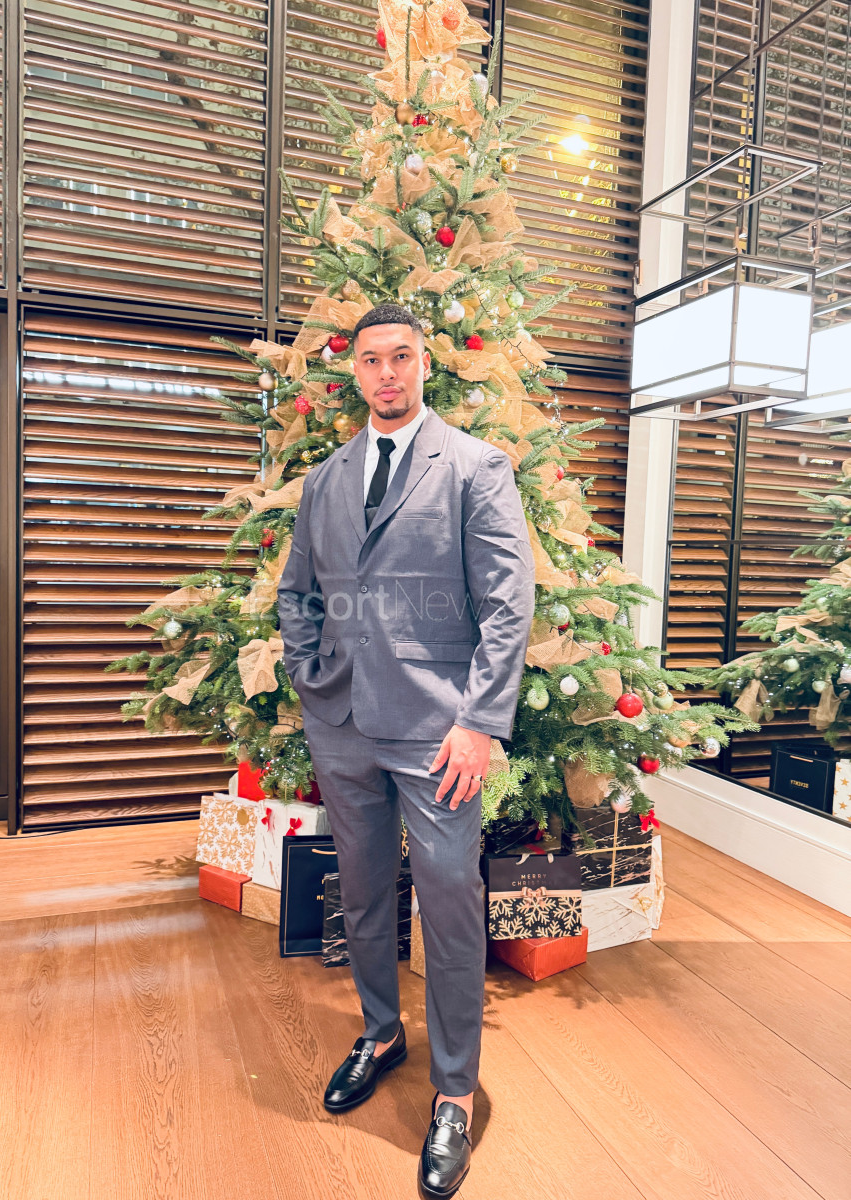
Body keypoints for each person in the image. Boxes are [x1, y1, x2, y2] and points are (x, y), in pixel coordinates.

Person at [277, 303, 534, 1199]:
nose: (387, 373)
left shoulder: (474, 466)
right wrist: (310, 677)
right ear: (353, 371)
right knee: (360, 891)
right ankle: (382, 1033)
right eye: (371, 360)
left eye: (402, 357)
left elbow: (507, 603)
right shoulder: (325, 480)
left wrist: (480, 720)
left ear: (426, 364)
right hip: (343, 723)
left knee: (450, 901)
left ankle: (454, 1091)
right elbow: (298, 593)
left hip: (439, 734)